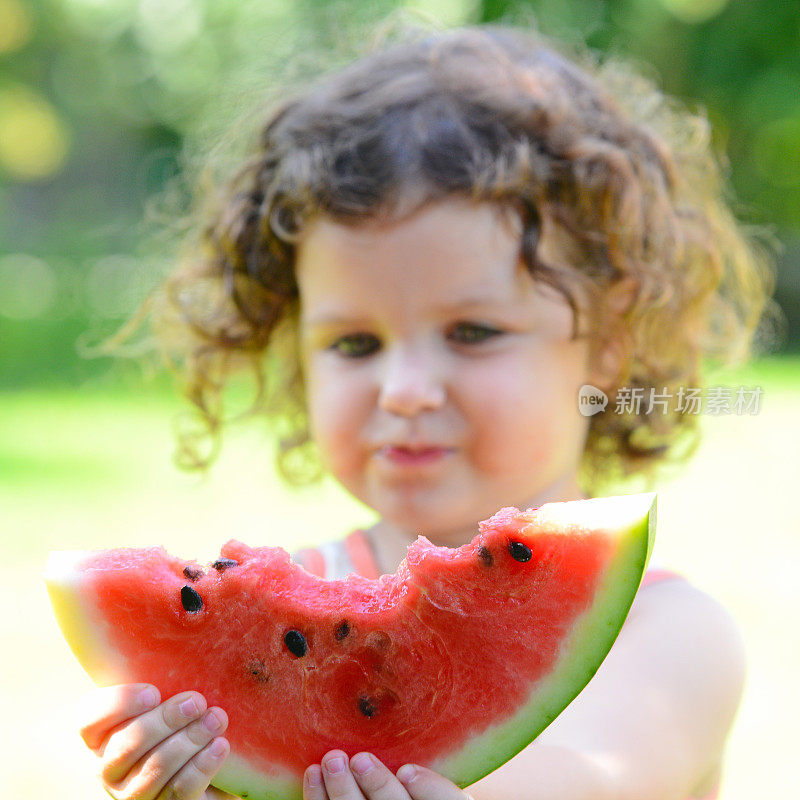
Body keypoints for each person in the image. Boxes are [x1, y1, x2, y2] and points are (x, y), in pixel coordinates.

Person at [78, 20, 776, 800]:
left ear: (610, 342)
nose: (404, 389)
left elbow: (591, 778)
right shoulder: (290, 611)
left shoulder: (674, 638)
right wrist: (207, 781)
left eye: (472, 332)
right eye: (353, 343)